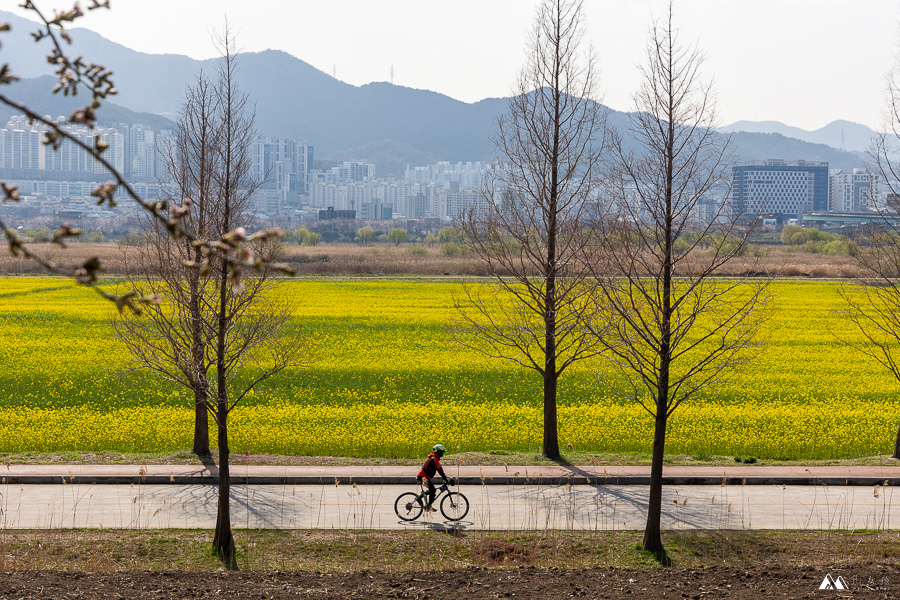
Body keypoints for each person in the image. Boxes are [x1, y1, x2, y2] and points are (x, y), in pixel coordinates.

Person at [417, 443, 455, 511]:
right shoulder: (434, 459)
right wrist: (446, 479)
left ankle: (419, 498)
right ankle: (428, 506)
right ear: (439, 452)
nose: (443, 453)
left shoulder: (434, 458)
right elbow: (440, 470)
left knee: (432, 490)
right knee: (433, 490)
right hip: (423, 477)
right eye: (442, 452)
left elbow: (440, 470)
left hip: (424, 476)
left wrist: (445, 478)